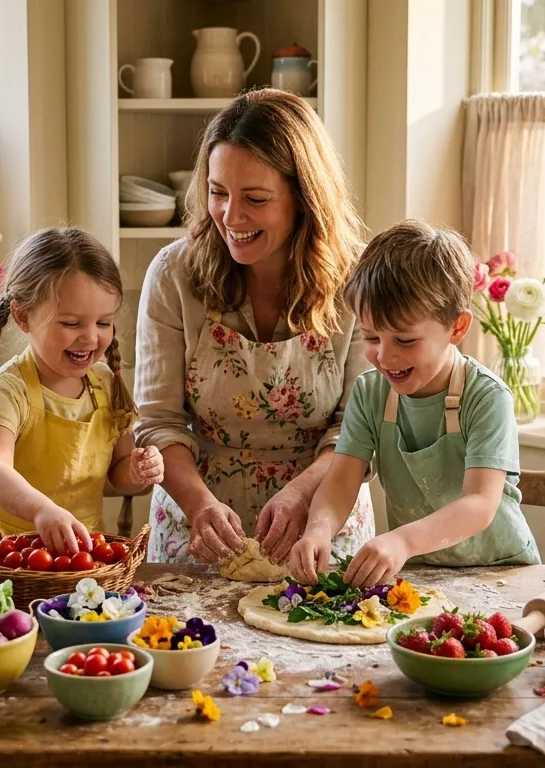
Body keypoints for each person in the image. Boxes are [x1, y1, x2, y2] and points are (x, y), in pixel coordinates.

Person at [134, 88, 375, 565]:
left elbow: (357, 432)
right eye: (218, 193)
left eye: (256, 198)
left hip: (320, 526)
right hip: (196, 525)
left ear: (304, 198)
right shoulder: (174, 274)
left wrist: (302, 496)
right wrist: (200, 506)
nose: (231, 216)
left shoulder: (356, 282)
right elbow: (159, 422)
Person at [290, 220, 540, 587]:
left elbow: (479, 505)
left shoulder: (487, 397)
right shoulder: (370, 393)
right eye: (371, 336)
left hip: (502, 574)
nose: (385, 356)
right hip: (422, 576)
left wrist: (402, 540)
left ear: (457, 327)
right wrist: (318, 530)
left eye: (405, 341)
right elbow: (342, 481)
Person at [0, 227, 164, 560]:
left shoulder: (105, 386)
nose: (90, 338)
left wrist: (137, 471)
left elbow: (120, 472)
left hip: (78, 558)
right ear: (23, 316)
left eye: (103, 322)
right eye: (71, 323)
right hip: (3, 558)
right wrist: (40, 511)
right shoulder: (9, 388)